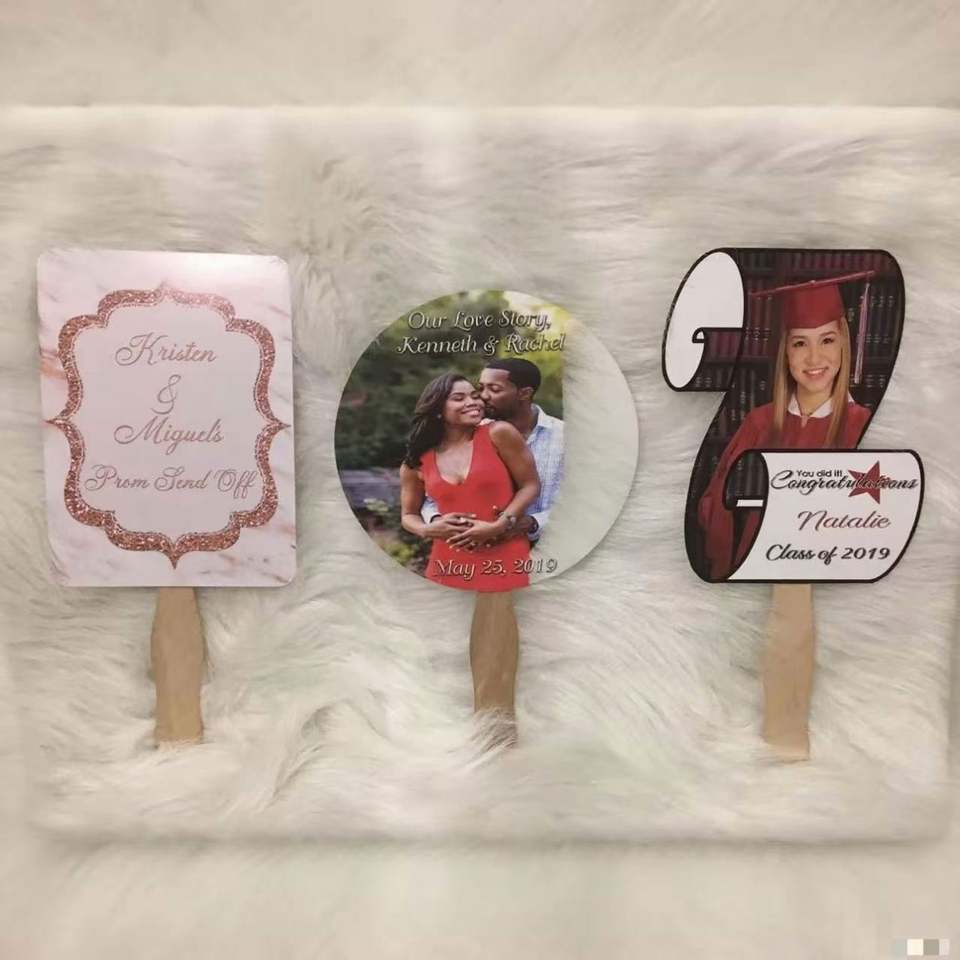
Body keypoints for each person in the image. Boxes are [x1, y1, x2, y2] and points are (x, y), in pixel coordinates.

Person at [697, 279, 872, 580]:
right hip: (750, 574)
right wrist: (729, 567)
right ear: (786, 352)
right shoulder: (759, 423)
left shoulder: (862, 426)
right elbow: (715, 502)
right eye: (800, 343)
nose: (814, 358)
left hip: (830, 580)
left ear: (844, 343)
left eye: (827, 340)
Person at [399, 372, 540, 592]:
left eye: (474, 396)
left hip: (506, 556)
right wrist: (427, 529)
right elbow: (408, 515)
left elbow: (530, 485)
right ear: (438, 409)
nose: (473, 402)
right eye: (459, 398)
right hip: (447, 564)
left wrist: (500, 525)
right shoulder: (416, 462)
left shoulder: (499, 433)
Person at [420, 358, 564, 545]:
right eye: (481, 388)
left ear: (524, 393)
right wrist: (437, 521)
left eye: (494, 389)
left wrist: (532, 523)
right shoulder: (467, 433)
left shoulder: (567, 437)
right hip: (470, 548)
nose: (483, 396)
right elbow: (433, 495)